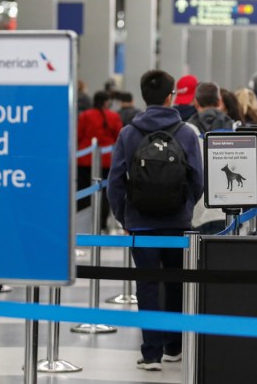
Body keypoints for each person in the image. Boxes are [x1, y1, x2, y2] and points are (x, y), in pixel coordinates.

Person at [107, 69, 203, 372]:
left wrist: (124, 215)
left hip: (140, 221)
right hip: (177, 221)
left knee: (147, 283)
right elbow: (197, 178)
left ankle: (151, 353)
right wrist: (185, 206)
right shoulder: (186, 132)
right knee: (175, 281)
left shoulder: (128, 132)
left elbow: (115, 181)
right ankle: (174, 345)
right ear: (169, 96)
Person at [186, 82, 235, 234]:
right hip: (226, 207)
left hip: (196, 210)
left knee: (196, 255)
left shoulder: (187, 130)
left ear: (196, 102)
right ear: (219, 102)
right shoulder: (232, 127)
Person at [76, 90, 123, 229]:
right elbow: (118, 136)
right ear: (106, 102)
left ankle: (83, 225)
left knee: (84, 190)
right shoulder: (113, 116)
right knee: (104, 192)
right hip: (106, 161)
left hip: (85, 160)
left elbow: (79, 135)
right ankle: (101, 224)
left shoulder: (85, 115)